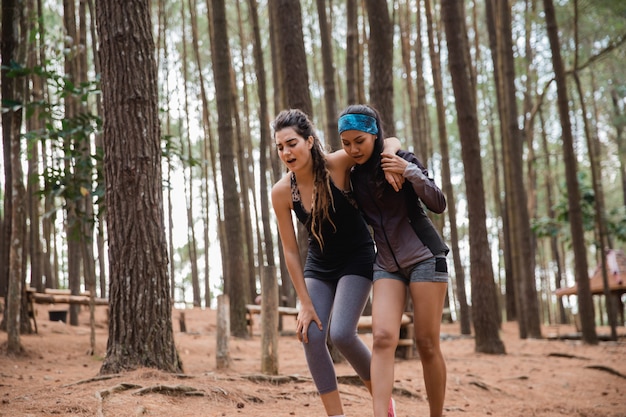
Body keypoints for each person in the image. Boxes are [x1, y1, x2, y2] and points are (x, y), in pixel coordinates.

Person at [270, 109, 400, 417]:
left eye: (292, 143)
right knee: (311, 333)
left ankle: (384, 405)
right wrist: (305, 303)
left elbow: (388, 140)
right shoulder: (280, 192)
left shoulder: (336, 164)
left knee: (341, 333)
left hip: (357, 258)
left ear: (309, 141)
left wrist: (392, 155)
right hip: (320, 264)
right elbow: (290, 252)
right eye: (280, 147)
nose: (286, 152)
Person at [338, 104, 449, 417]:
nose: (352, 148)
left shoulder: (403, 159)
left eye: (359, 140)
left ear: (374, 134)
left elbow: (438, 203)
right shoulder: (355, 177)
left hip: (426, 256)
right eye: (346, 143)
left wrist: (408, 171)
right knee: (383, 337)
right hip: (386, 264)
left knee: (427, 343)